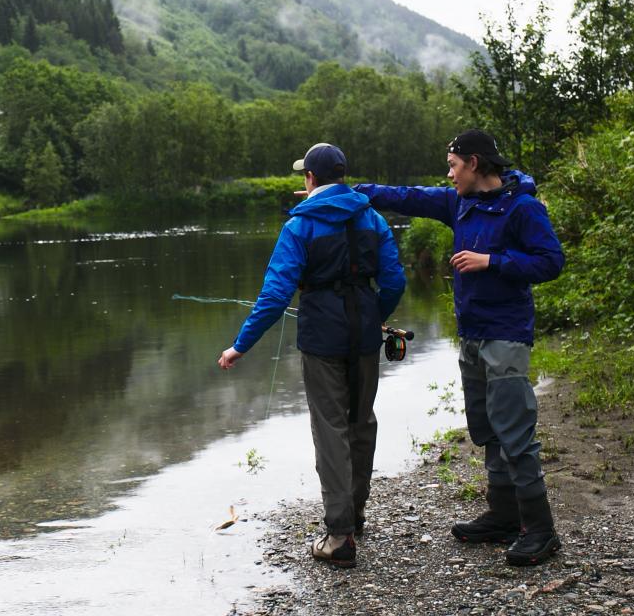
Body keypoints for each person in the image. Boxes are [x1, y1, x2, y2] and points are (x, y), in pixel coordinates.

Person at [353, 129, 565, 566]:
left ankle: (541, 530)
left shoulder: (522, 208)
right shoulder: (458, 203)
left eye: (452, 166)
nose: (448, 174)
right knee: (486, 426)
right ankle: (504, 516)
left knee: (514, 432)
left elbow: (550, 262)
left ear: (473, 163)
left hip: (506, 334)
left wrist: (492, 262)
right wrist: (350, 192)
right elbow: (407, 197)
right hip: (471, 335)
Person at [218, 143, 406, 569]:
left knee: (331, 428)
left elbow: (274, 296)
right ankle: (354, 515)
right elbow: (394, 279)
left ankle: (339, 535)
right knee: (361, 421)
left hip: (322, 338)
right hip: (363, 335)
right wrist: (377, 315)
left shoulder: (300, 227)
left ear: (310, 179)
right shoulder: (372, 217)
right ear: (341, 175)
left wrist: (240, 346)